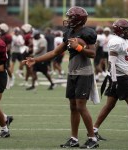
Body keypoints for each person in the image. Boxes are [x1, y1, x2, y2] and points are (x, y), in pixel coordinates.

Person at [23, 6, 99, 149]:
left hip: (83, 72)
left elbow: (92, 54)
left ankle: (92, 138)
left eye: (71, 17)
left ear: (78, 19)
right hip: (72, 72)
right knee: (72, 106)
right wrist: (36, 60)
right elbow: (55, 52)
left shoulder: (87, 33)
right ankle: (74, 138)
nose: (68, 19)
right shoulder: (69, 32)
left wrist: (78, 47)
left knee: (81, 107)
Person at [93, 19, 128, 141]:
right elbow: (111, 63)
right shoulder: (116, 41)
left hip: (120, 76)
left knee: (109, 105)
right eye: (126, 29)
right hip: (119, 78)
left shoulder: (124, 40)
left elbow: (124, 60)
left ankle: (94, 130)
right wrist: (114, 80)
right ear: (120, 30)